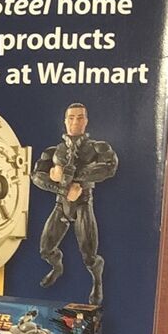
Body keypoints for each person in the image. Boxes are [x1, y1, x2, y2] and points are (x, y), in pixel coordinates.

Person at [32, 102, 118, 304]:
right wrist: (63, 188)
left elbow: (110, 167)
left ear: (86, 121)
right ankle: (57, 267)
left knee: (89, 256)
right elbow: (36, 176)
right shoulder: (54, 151)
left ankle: (97, 281)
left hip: (83, 204)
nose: (75, 122)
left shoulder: (97, 147)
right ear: (65, 121)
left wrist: (70, 177)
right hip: (61, 203)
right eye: (71, 118)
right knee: (45, 249)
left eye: (80, 118)